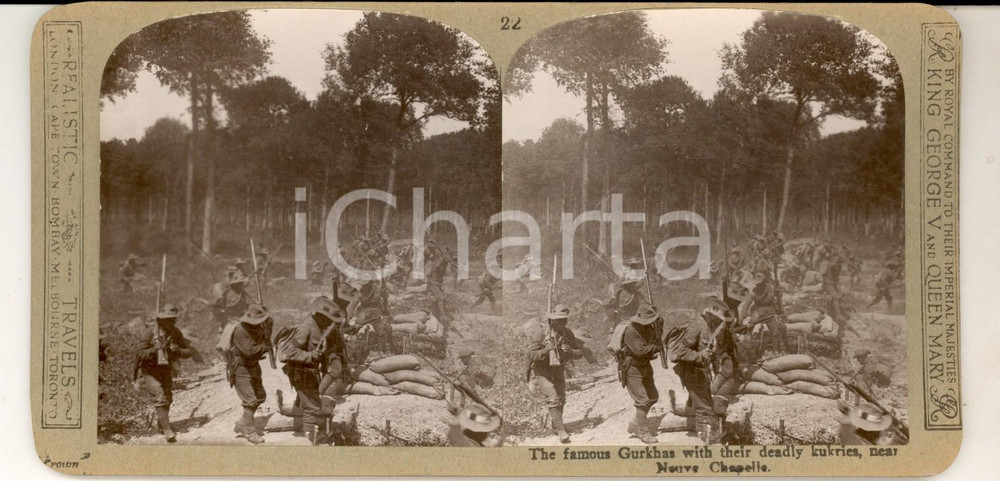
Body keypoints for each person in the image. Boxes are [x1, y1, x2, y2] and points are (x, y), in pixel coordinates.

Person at [282, 296, 355, 445]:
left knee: (312, 404)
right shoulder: (306, 327)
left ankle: (307, 434)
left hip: (309, 373)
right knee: (312, 408)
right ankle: (308, 443)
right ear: (321, 316)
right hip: (300, 372)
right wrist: (309, 356)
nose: (330, 322)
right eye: (328, 319)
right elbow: (289, 352)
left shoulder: (322, 327)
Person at [132, 304, 199, 443]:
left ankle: (161, 423)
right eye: (168, 319)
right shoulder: (149, 333)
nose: (172, 322)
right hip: (150, 370)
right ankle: (167, 429)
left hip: (166, 368)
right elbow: (139, 353)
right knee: (160, 396)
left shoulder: (175, 333)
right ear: (160, 320)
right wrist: (154, 350)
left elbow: (189, 351)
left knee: (168, 397)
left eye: (173, 319)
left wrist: (178, 351)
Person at [525, 304, 588, 444]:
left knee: (561, 397)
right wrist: (546, 350)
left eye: (564, 320)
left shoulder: (567, 333)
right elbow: (530, 355)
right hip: (542, 370)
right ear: (552, 320)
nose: (562, 323)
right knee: (553, 397)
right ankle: (561, 431)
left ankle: (557, 425)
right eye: (559, 320)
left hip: (558, 368)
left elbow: (579, 352)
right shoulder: (540, 333)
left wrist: (569, 352)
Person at [670, 300, 725, 444]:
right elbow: (679, 352)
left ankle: (698, 427)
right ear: (709, 314)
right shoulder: (697, 326)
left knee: (702, 403)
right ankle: (706, 442)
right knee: (705, 408)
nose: (720, 322)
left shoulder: (710, 327)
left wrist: (715, 364)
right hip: (692, 372)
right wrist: (699, 356)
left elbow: (710, 350)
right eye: (717, 317)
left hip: (700, 373)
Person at [229, 304, 272, 445]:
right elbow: (250, 351)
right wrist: (264, 347)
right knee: (250, 400)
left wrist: (268, 329)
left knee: (260, 396)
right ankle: (250, 431)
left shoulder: (258, 328)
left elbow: (263, 340)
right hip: (240, 368)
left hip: (252, 366)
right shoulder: (240, 331)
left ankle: (242, 423)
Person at [620, 304, 662, 445]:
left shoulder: (649, 328)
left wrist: (659, 327)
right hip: (632, 368)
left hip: (644, 366)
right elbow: (640, 351)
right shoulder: (631, 331)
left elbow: (654, 339)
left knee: (653, 397)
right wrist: (656, 348)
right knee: (642, 400)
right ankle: (643, 432)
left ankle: (635, 424)